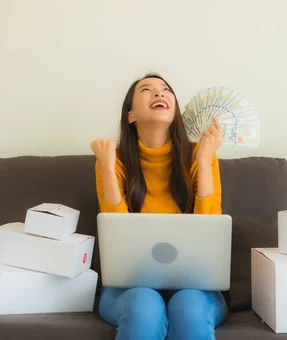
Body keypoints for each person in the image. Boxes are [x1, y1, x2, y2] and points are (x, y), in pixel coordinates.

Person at [90, 73, 227, 340]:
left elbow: (209, 228)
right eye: (147, 90)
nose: (159, 93)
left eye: (165, 89)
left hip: (195, 288)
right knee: (145, 307)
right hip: (128, 288)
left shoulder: (202, 155)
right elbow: (116, 235)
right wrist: (106, 167)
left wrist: (203, 159)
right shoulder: (112, 160)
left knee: (188, 308)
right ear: (130, 115)